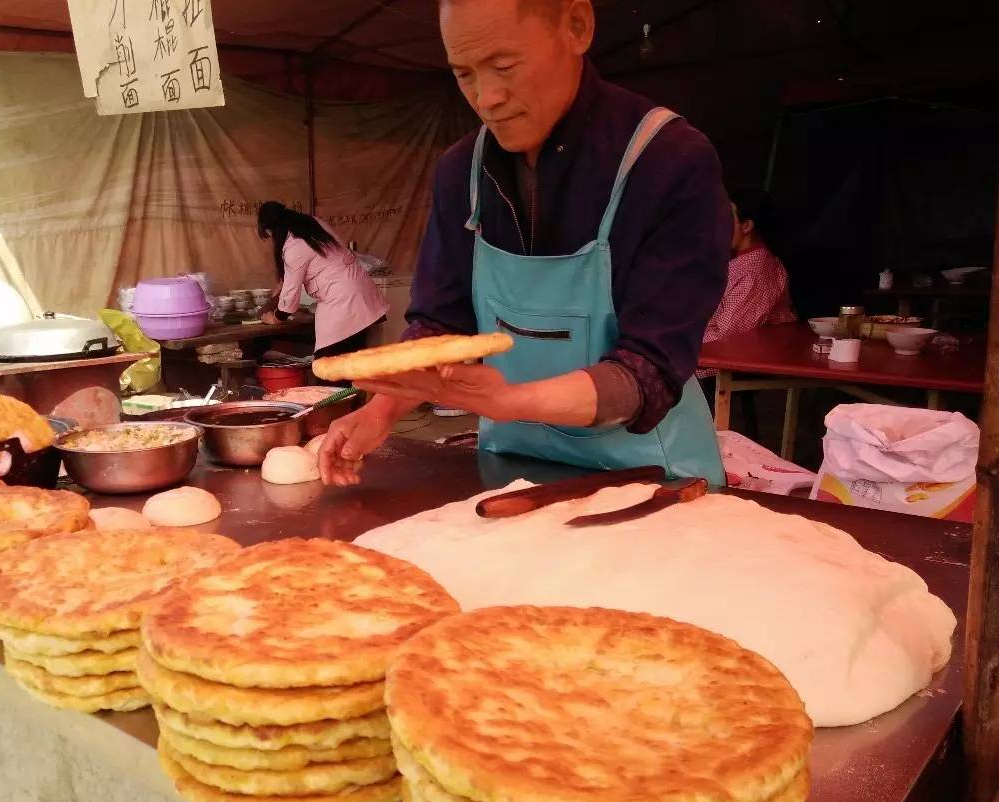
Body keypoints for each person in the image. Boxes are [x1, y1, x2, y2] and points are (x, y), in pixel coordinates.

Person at [317, 0, 731, 487]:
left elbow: (648, 372)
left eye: (504, 66)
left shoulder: (668, 161)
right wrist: (383, 409)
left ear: (576, 26)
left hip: (653, 481)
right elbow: (441, 325)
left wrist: (509, 402)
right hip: (514, 475)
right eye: (464, 74)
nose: (486, 97)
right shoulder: (461, 173)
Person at [255, 202, 388, 372]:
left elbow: (289, 300)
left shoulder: (293, 246)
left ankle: (341, 397)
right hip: (361, 293)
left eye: (270, 235)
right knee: (352, 369)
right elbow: (323, 261)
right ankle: (355, 398)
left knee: (327, 371)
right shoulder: (313, 223)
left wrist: (275, 318)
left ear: (274, 229)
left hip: (343, 303)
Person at [701, 188, 797, 364]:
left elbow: (727, 337)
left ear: (747, 226)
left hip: (727, 363)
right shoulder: (735, 261)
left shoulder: (755, 273)